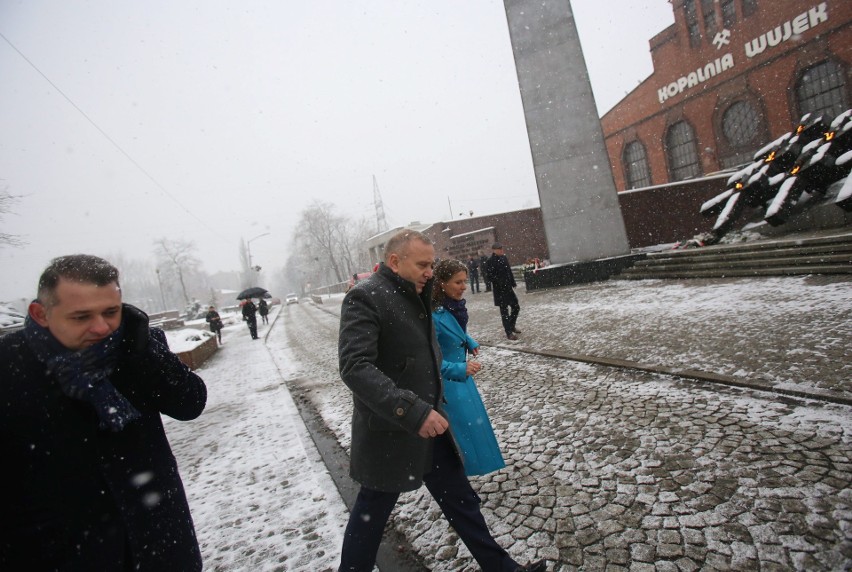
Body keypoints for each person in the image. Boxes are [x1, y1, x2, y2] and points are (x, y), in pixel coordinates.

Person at [337, 229, 546, 572]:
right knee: (370, 517)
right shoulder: (366, 297)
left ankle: (503, 568)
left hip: (432, 427)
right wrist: (413, 412)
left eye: (431, 264)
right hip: (392, 433)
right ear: (394, 261)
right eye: (422, 264)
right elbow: (355, 367)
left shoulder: (416, 295)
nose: (430, 272)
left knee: (462, 503)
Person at [0, 254, 207, 571]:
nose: (101, 327)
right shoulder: (9, 366)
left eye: (111, 312)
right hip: (65, 554)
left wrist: (145, 352)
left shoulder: (135, 347)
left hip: (162, 543)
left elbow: (190, 403)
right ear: (40, 314)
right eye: (81, 317)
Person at [432, 259, 505, 476]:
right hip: (448, 385)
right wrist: (458, 369)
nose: (464, 286)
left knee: (475, 428)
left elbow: (456, 331)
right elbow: (429, 358)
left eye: (464, 281)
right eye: (458, 282)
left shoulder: (454, 307)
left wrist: (469, 341)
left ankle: (474, 467)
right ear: (441, 284)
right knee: (462, 432)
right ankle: (460, 477)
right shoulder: (433, 315)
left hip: (463, 380)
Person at [485, 243, 521, 340]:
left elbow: (509, 271)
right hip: (499, 290)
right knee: (504, 311)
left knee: (516, 307)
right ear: (494, 250)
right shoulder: (490, 261)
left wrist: (513, 282)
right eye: (499, 249)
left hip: (508, 288)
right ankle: (508, 332)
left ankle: (511, 325)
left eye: (502, 248)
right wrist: (499, 282)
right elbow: (489, 276)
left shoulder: (504, 258)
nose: (501, 250)